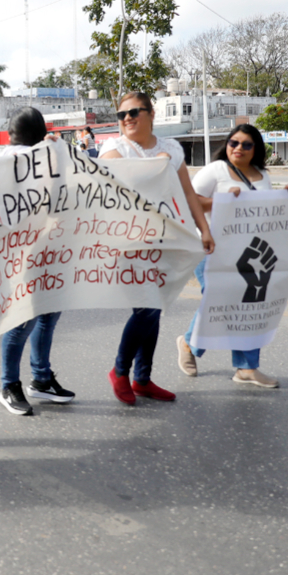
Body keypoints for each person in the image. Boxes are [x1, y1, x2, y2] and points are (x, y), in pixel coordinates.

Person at [99, 91, 213, 406]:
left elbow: (188, 194)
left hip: (165, 242)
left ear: (151, 114)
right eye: (122, 115)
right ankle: (120, 371)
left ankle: (143, 378)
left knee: (155, 308)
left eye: (135, 112)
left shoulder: (171, 149)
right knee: (146, 308)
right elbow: (128, 182)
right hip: (128, 243)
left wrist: (203, 230)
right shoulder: (113, 147)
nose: (128, 119)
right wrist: (158, 166)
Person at [178, 124, 288, 389]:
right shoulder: (216, 170)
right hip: (210, 247)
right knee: (217, 299)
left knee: (250, 303)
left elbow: (265, 210)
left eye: (246, 145)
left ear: (256, 149)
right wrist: (221, 200)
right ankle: (190, 343)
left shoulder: (261, 175)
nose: (238, 148)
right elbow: (190, 200)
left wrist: (287, 197)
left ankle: (246, 368)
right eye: (234, 142)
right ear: (227, 144)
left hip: (247, 250)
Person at [0, 108, 75, 416]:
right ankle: (9, 384)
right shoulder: (26, 160)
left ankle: (40, 378)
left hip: (40, 247)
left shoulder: (4, 161)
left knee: (44, 314)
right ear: (41, 132)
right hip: (29, 251)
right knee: (28, 317)